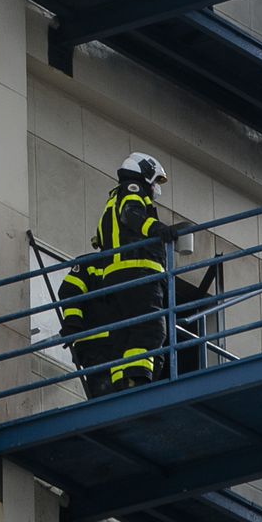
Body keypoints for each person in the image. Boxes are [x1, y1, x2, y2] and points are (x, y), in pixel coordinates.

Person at [96, 152, 177, 390]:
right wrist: (158, 229)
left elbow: (101, 238)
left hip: (113, 281)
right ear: (145, 172)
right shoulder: (133, 190)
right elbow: (131, 215)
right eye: (155, 181)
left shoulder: (111, 202)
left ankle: (121, 382)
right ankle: (138, 380)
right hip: (138, 274)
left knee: (123, 336)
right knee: (151, 329)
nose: (155, 188)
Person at [56, 246, 111, 398]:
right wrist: (73, 323)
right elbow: (69, 290)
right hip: (96, 347)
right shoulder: (91, 263)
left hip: (120, 345)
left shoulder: (133, 266)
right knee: (104, 396)